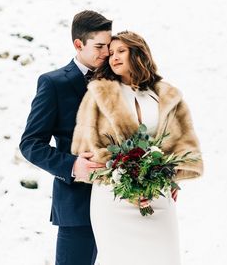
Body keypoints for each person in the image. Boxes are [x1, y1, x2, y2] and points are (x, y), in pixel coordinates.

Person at [71, 31, 203, 265]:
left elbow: (184, 147)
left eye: (121, 51)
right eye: (111, 53)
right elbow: (88, 148)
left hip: (158, 199)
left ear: (138, 52)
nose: (114, 57)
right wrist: (125, 179)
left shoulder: (166, 95)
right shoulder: (98, 94)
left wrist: (170, 176)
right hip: (113, 199)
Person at [19, 10, 112, 265]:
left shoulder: (121, 80)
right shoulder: (53, 83)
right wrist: (72, 165)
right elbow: (30, 144)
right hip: (77, 206)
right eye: (99, 46)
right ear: (78, 44)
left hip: (121, 203)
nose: (106, 53)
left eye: (109, 45)